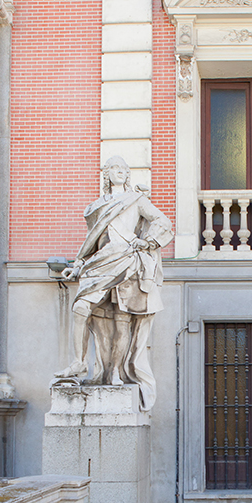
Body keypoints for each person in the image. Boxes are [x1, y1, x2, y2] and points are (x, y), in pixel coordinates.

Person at [54, 156, 174, 410]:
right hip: (101, 261)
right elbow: (91, 241)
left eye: (124, 169)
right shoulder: (95, 207)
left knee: (122, 321)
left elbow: (163, 221)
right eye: (116, 169)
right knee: (81, 307)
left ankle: (116, 372)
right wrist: (77, 265)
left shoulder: (136, 199)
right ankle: (79, 362)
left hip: (127, 259)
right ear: (107, 174)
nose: (121, 172)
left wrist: (148, 241)